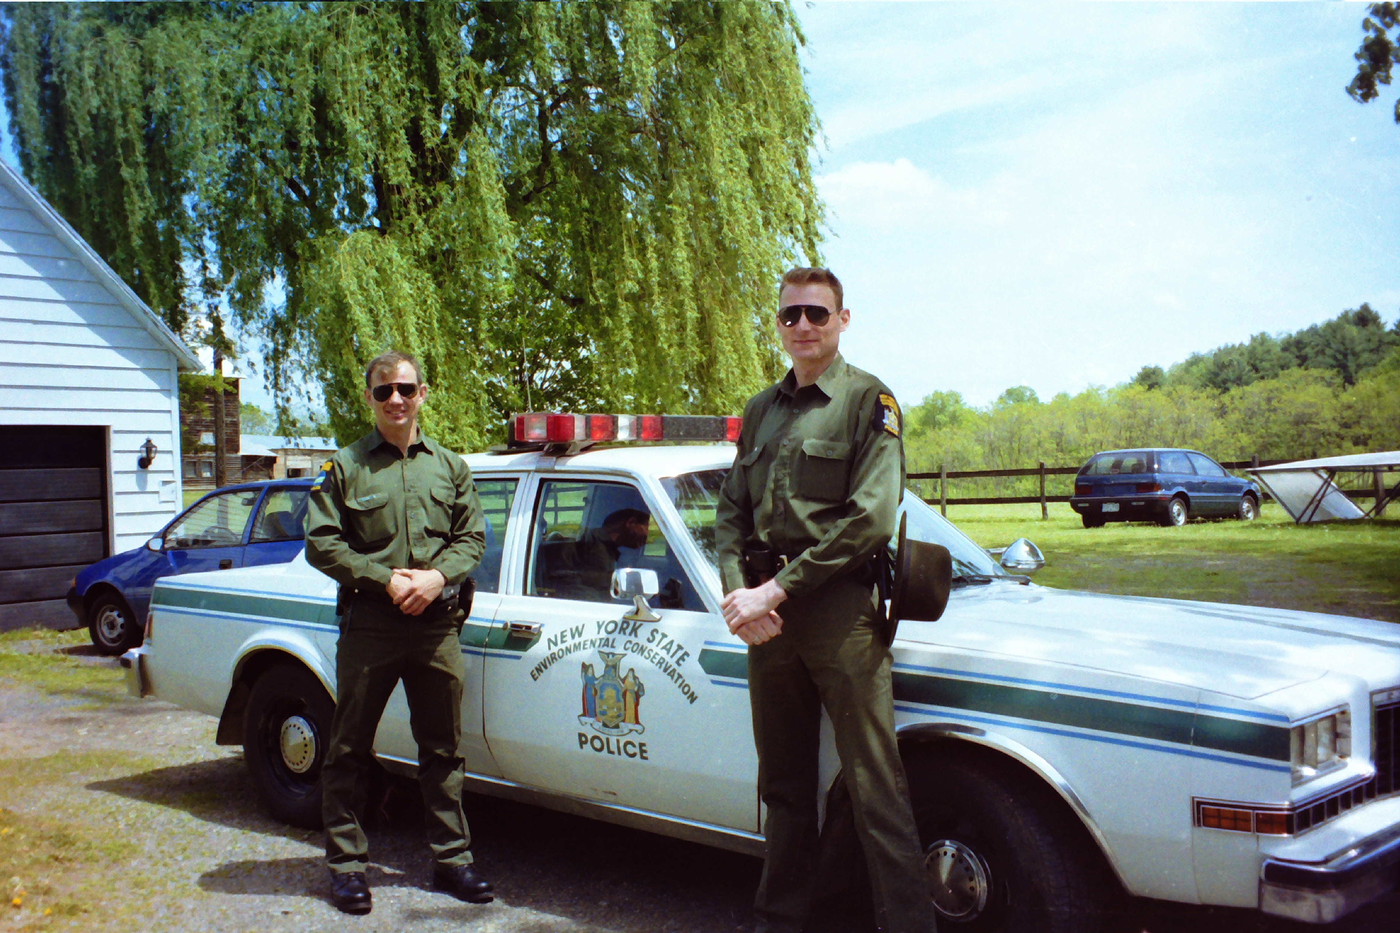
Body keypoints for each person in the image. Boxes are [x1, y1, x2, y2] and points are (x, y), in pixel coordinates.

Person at [714, 268, 935, 933]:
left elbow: (871, 518)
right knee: (782, 785)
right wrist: (739, 594)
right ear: (778, 324)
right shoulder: (760, 409)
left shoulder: (871, 401)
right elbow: (730, 511)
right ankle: (779, 918)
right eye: (790, 315)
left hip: (839, 614)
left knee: (875, 785)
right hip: (768, 620)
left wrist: (775, 589)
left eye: (816, 313)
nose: (803, 325)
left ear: (843, 319)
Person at [305, 350, 492, 915]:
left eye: (405, 389)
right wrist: (386, 580)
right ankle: (346, 867)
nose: (395, 400)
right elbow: (321, 543)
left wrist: (436, 578)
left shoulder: (451, 467)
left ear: (422, 393)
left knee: (443, 749)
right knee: (348, 749)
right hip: (372, 628)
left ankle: (452, 861)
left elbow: (473, 538)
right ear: (370, 398)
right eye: (384, 391)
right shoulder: (347, 466)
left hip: (436, 628)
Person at [552, 507, 651, 600]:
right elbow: (586, 585)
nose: (647, 536)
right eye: (647, 528)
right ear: (631, 523)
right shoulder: (590, 547)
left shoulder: (607, 548)